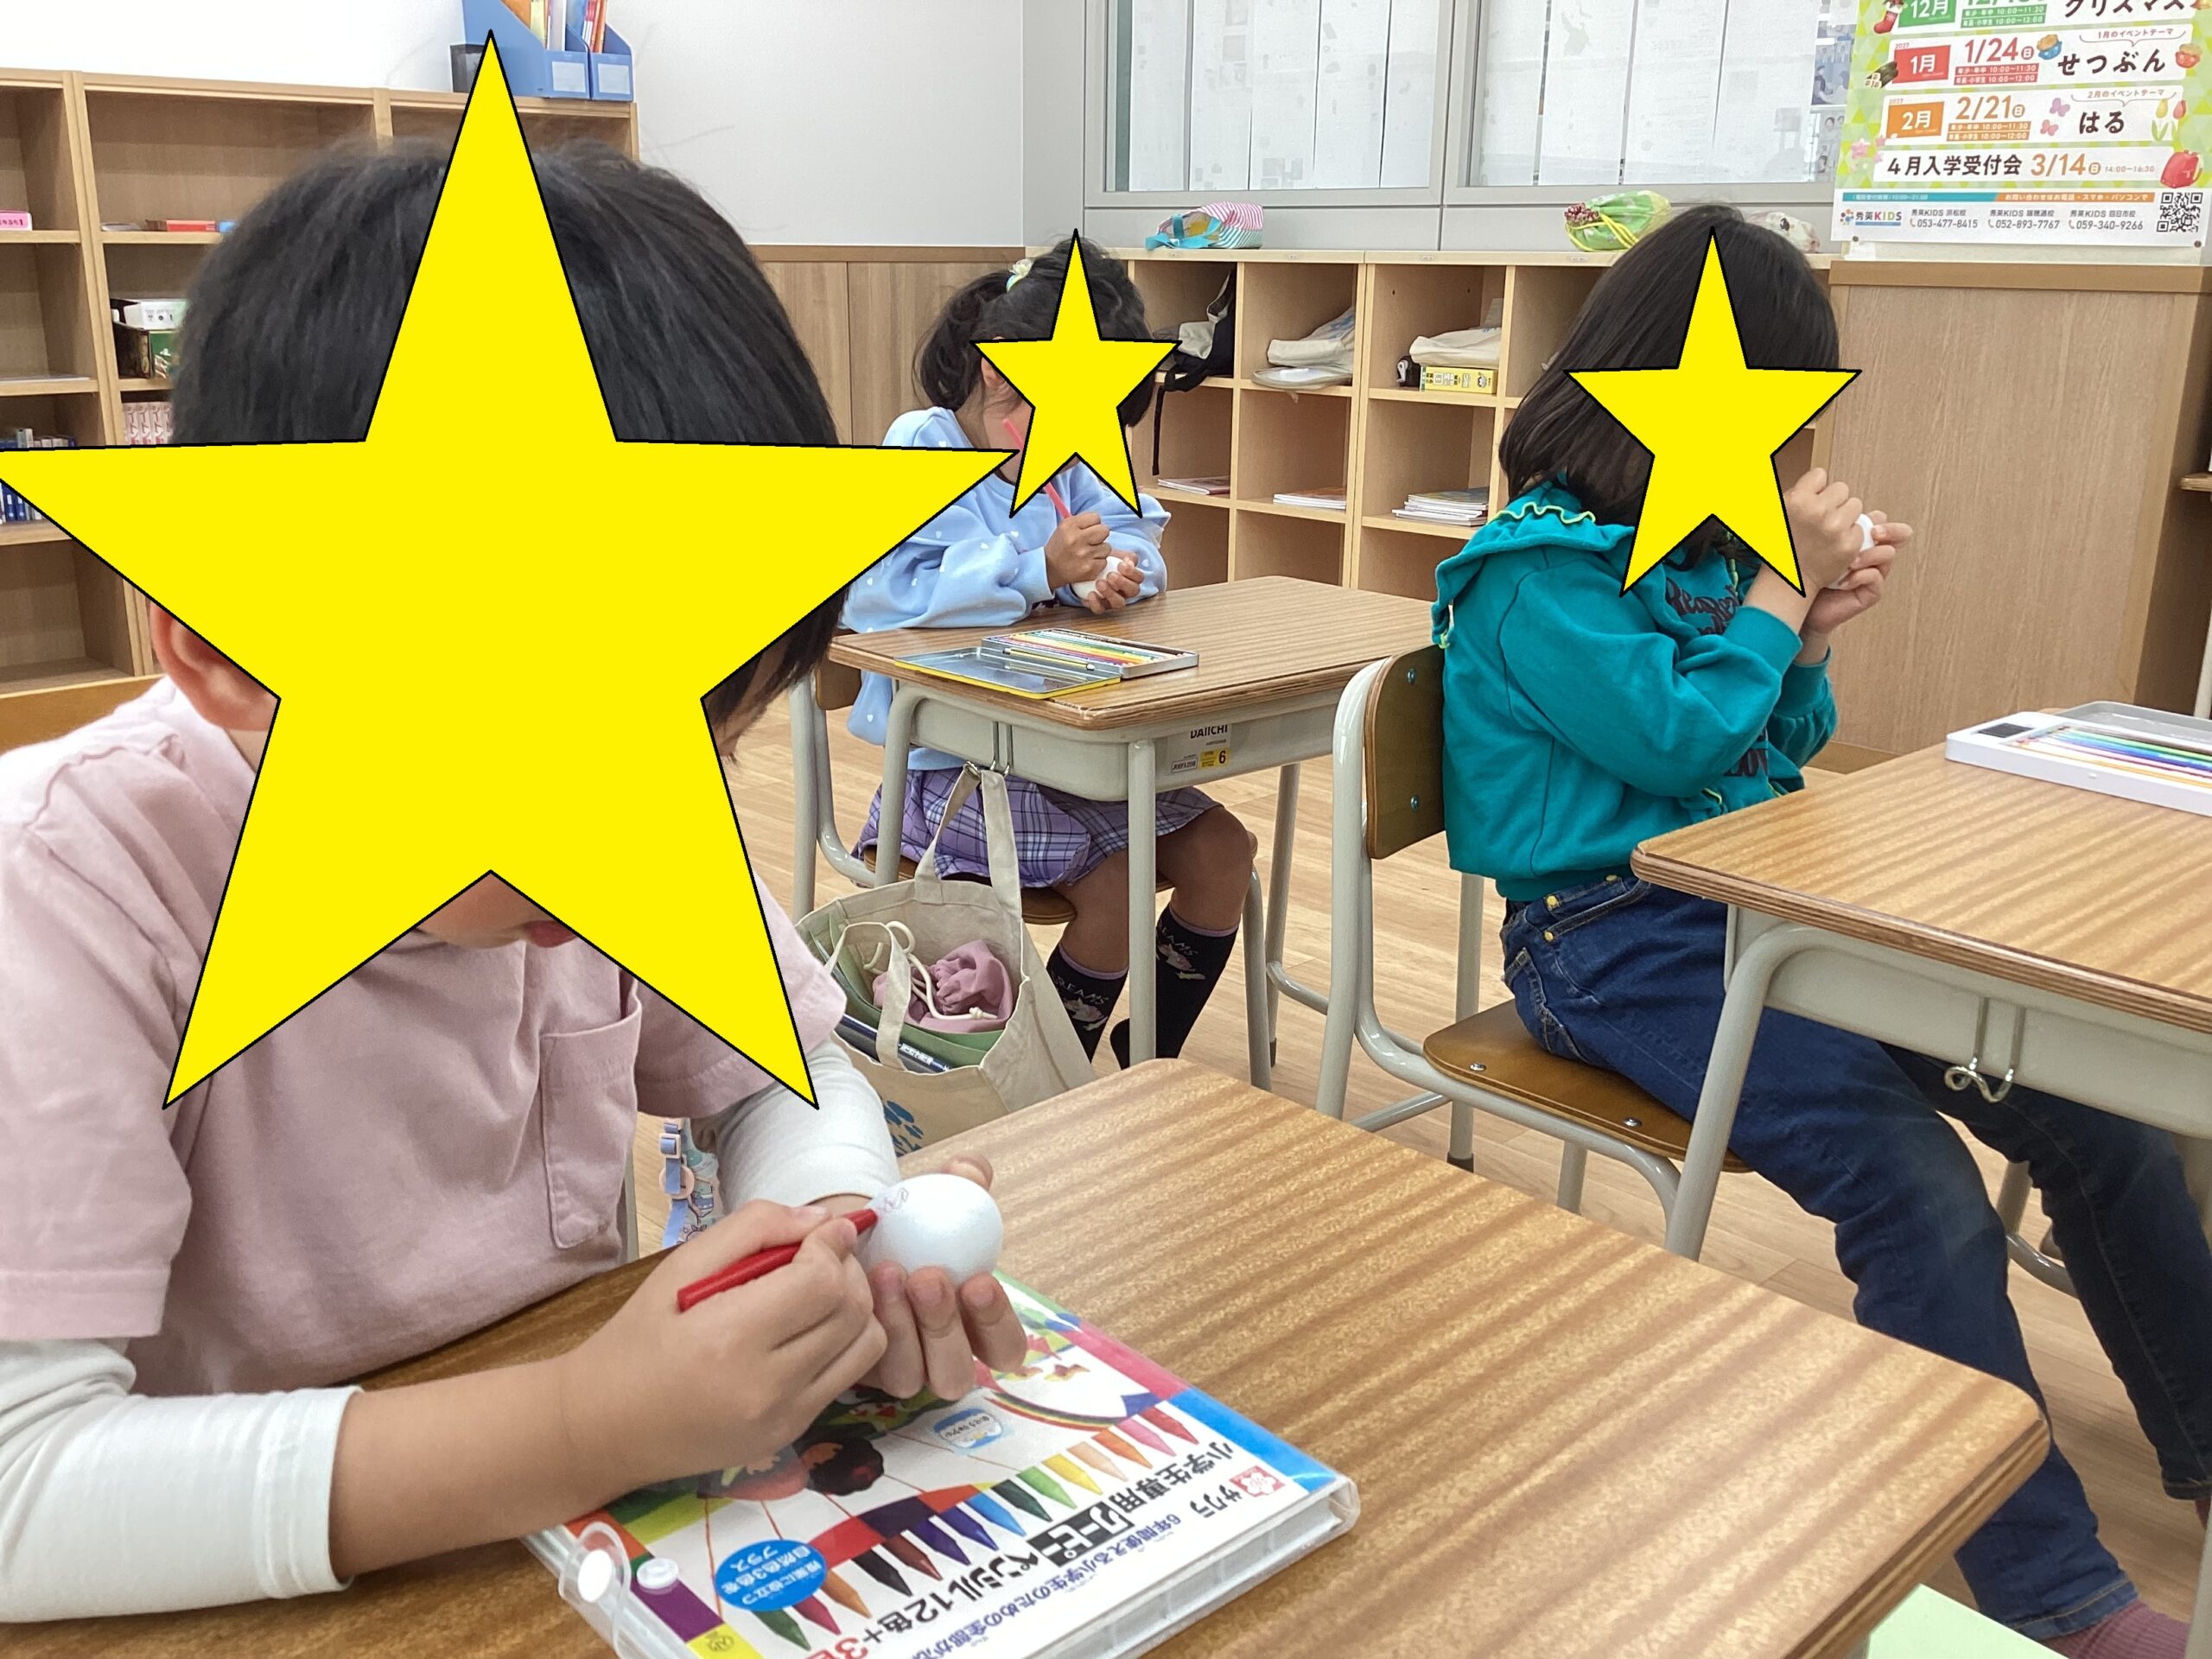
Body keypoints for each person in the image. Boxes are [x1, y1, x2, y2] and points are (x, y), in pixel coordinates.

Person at [0, 143, 1026, 1623]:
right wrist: (582, 1425)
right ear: (229, 654)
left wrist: (836, 1238)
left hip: (572, 1558)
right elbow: (24, 1490)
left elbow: (784, 1079)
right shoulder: (69, 892)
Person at [1433, 202, 2211, 1657]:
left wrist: (1807, 636)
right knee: (1911, 1182)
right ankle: (2058, 1592)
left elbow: (1772, 745)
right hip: (1603, 946)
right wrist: (1781, 594)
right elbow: (1672, 743)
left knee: (2094, 1114)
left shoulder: (1693, 546)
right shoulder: (1533, 568)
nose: (1792, 442)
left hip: (1753, 907)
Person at [843, 236, 1255, 1067]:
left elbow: (1136, 535)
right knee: (1117, 894)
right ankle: (1049, 1077)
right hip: (957, 767)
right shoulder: (923, 445)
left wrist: (1114, 575)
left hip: (1070, 744)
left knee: (1225, 856)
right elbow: (884, 597)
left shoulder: (1070, 452)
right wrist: (1039, 571)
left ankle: (1149, 1058)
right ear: (998, 375)